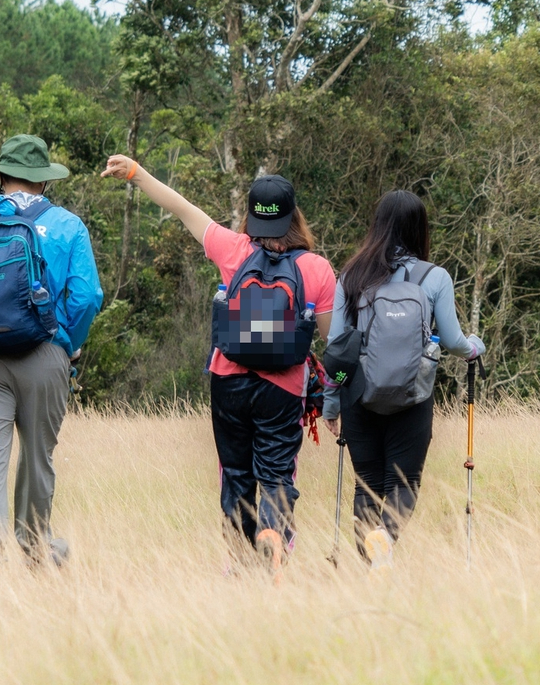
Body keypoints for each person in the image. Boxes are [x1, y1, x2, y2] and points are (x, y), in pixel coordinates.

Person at [101, 155, 335, 575]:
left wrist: (136, 173)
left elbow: (180, 207)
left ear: (251, 217)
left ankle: (241, 561)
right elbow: (332, 341)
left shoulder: (233, 249)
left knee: (235, 474)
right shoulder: (315, 268)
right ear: (293, 217)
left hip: (228, 382)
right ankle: (272, 535)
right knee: (277, 473)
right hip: (282, 388)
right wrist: (337, 393)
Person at [0, 135, 103, 565]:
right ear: (44, 183)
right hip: (46, 353)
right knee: (37, 456)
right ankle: (35, 548)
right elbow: (86, 298)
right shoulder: (67, 225)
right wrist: (67, 342)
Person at [323, 189, 484, 569]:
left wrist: (331, 402)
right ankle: (386, 540)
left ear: (377, 226)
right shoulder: (435, 277)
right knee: (404, 482)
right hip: (412, 397)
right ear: (419, 229)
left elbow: (336, 347)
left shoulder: (351, 275)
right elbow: (453, 341)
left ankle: (371, 565)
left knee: (368, 483)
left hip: (359, 395)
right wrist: (474, 347)